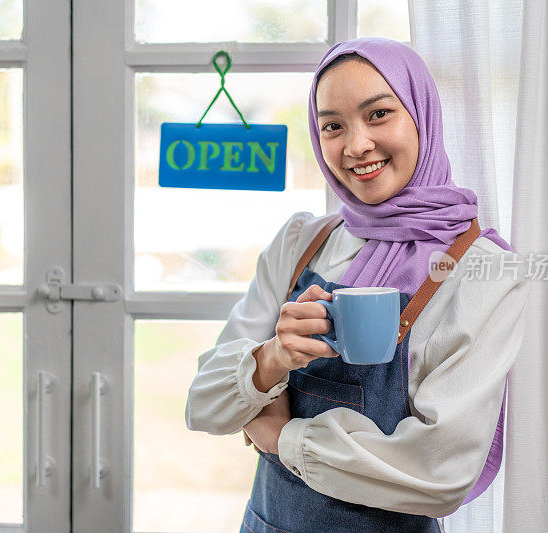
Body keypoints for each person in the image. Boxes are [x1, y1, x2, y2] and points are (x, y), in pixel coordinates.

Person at [185, 37, 530, 533]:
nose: (355, 145)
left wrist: (282, 436)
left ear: (421, 116)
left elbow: (441, 470)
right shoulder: (302, 241)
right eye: (332, 126)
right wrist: (273, 359)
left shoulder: (483, 271)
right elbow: (203, 403)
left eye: (379, 114)